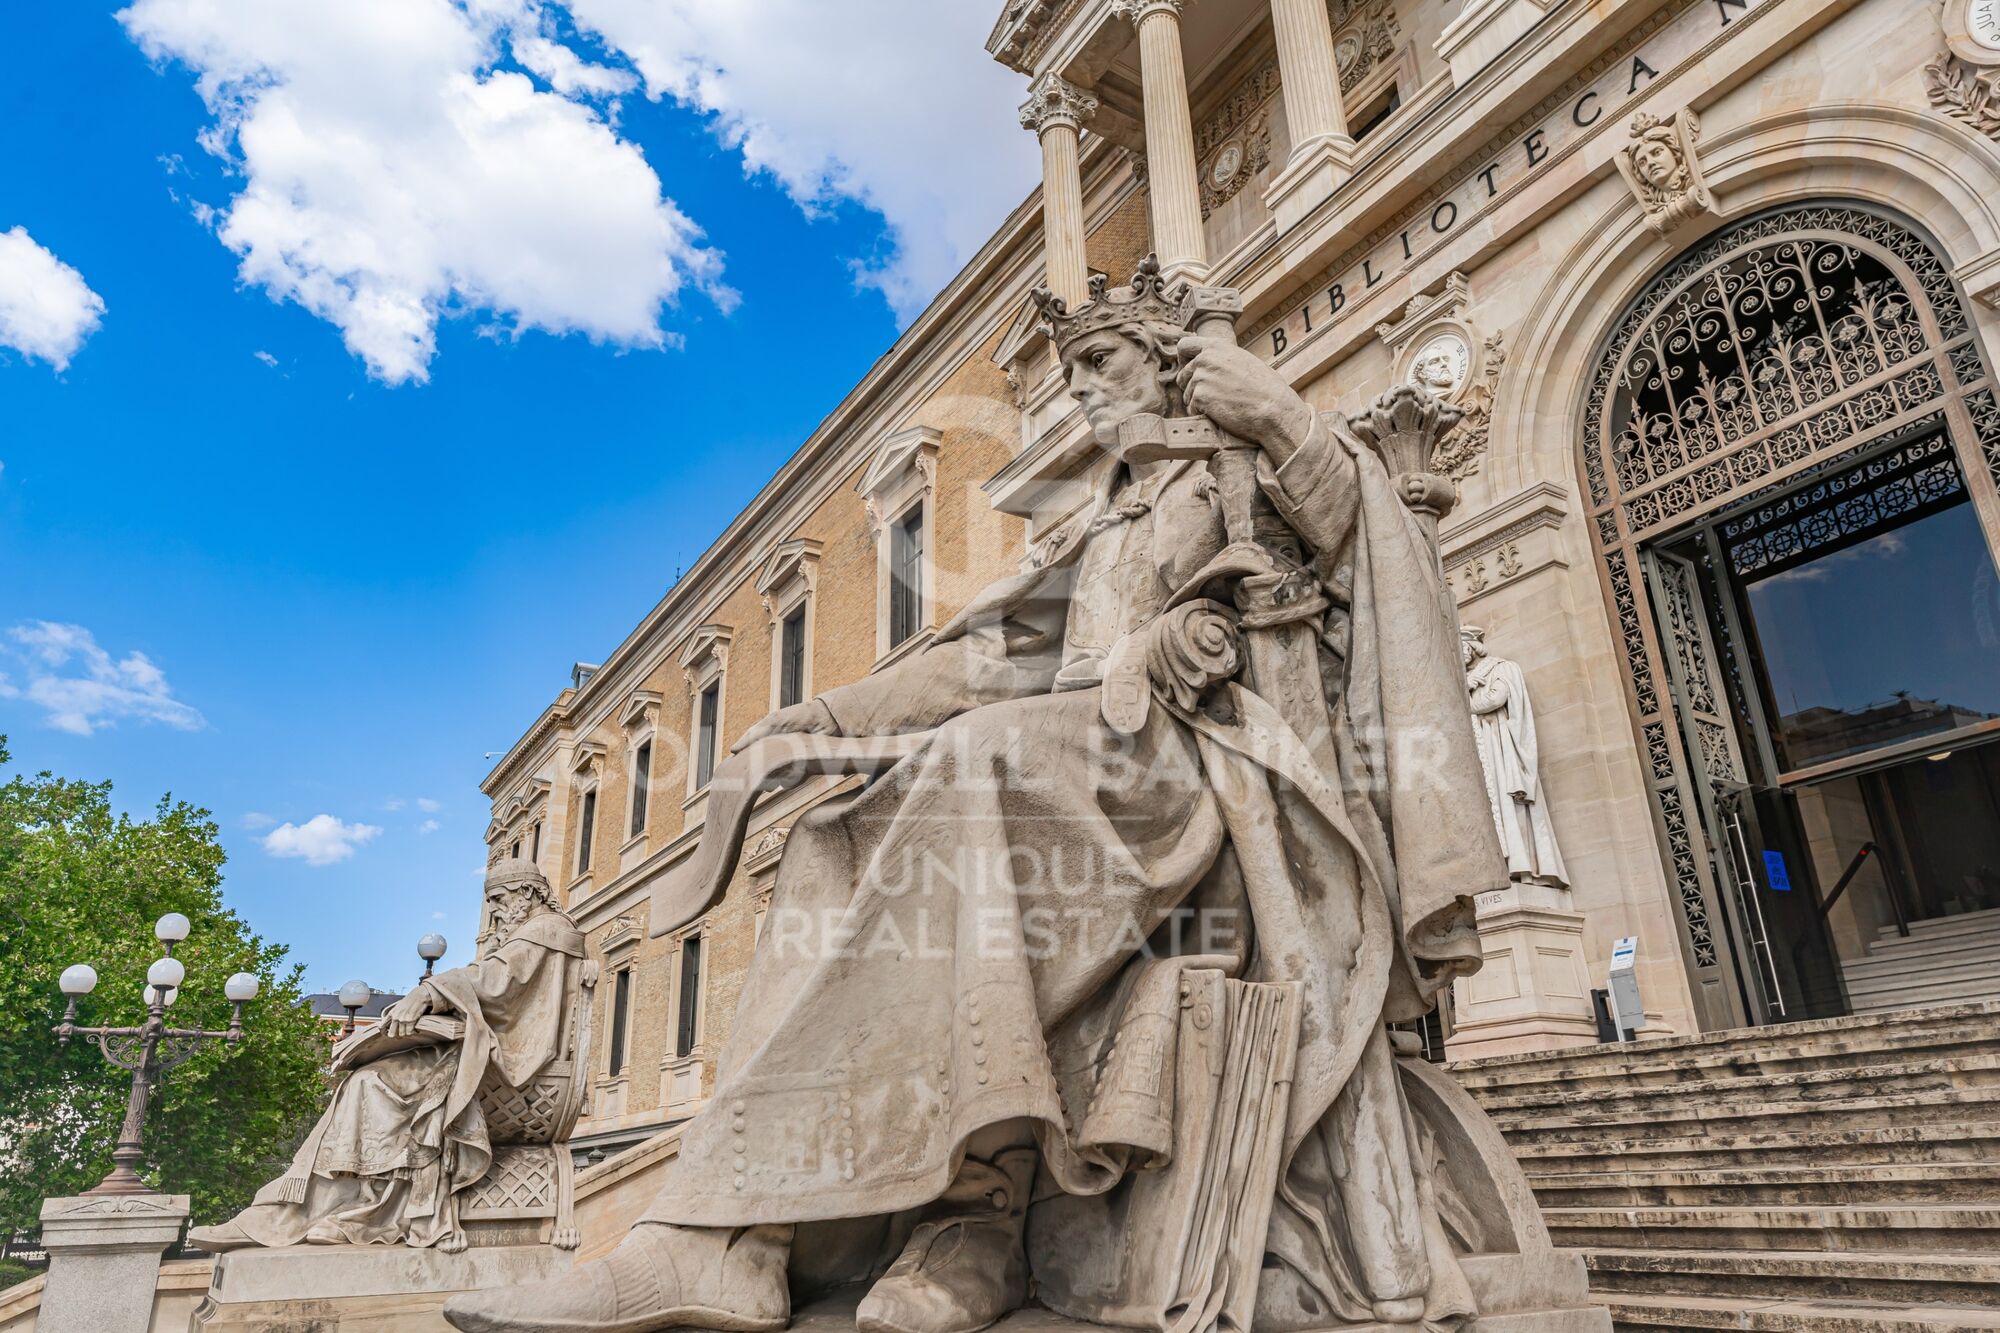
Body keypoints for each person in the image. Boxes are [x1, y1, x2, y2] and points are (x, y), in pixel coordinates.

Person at [444, 259, 1505, 1333]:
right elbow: (985, 661)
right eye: (1073, 368)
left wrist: (1274, 413)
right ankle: (741, 1238)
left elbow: (1365, 546)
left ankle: (978, 1214)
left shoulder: (1237, 467)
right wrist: (824, 723)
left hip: (1192, 779)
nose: (1082, 386)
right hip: (1074, 763)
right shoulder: (1099, 524)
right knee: (832, 826)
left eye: (1103, 363)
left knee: (973, 763)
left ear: (1170, 368)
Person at [190, 859, 584, 1253]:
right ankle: (334, 1206)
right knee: (365, 1082)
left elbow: (493, 984)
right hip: (477, 1056)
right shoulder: (527, 934)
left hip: (503, 1069)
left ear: (528, 893)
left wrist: (426, 994)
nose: (495, 909)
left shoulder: (546, 932)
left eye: (499, 897)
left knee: (370, 1085)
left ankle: (330, 1211)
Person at [1463, 626, 1569, 887]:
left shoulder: (1501, 668)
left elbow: (1494, 700)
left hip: (1499, 748)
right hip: (1481, 751)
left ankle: (1525, 867)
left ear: (1471, 646)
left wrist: (1463, 697)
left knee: (1508, 806)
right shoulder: (1465, 677)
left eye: (1459, 647)